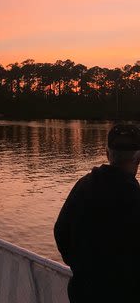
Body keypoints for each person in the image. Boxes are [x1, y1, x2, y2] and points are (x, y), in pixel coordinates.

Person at [54, 124, 140, 303]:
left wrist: (79, 266)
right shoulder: (135, 198)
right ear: (137, 157)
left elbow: (60, 231)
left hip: (83, 293)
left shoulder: (83, 186)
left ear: (108, 153)